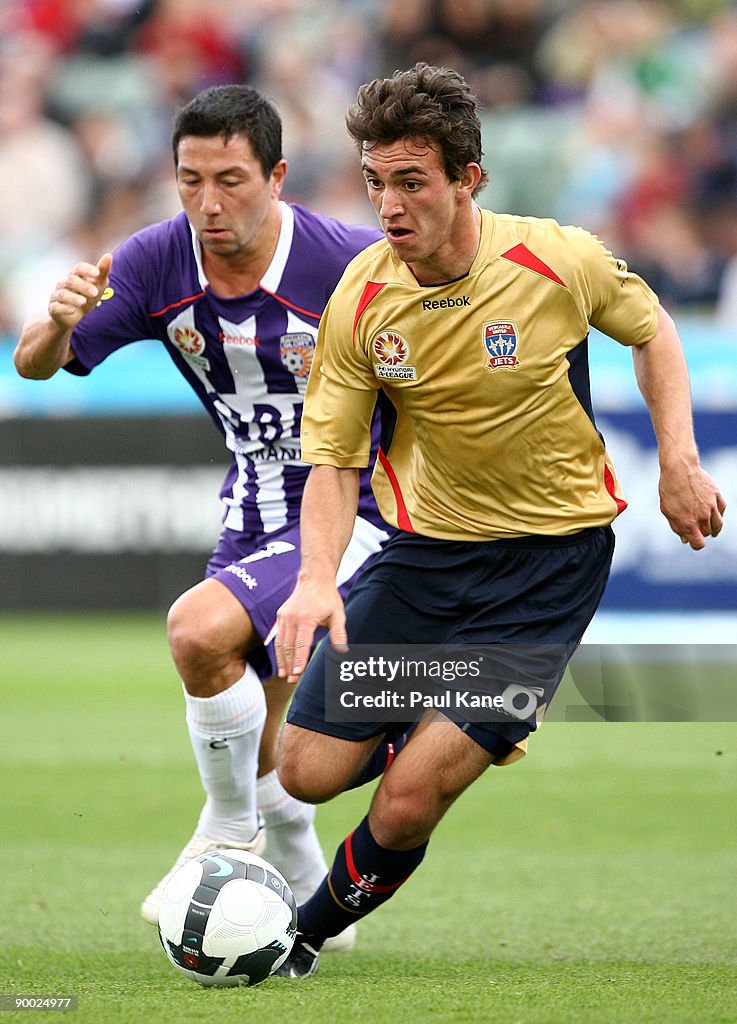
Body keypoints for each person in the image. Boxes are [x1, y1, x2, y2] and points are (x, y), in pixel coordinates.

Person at [272, 62, 727, 977]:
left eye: (412, 181)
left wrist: (678, 458)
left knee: (403, 802)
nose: (390, 205)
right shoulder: (361, 300)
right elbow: (334, 459)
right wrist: (315, 579)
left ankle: (294, 939)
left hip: (548, 570)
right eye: (374, 182)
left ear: (467, 177)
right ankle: (442, 714)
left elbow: (653, 332)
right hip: (425, 558)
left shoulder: (556, 258)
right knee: (304, 772)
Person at [13, 84, 391, 951]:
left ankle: (224, 835)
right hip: (251, 504)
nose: (208, 203)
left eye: (230, 179)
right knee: (271, 717)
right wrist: (55, 323)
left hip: (354, 502)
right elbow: (39, 366)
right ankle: (299, 883)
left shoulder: (345, 263)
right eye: (189, 180)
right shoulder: (153, 261)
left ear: (277, 176)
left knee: (196, 631)